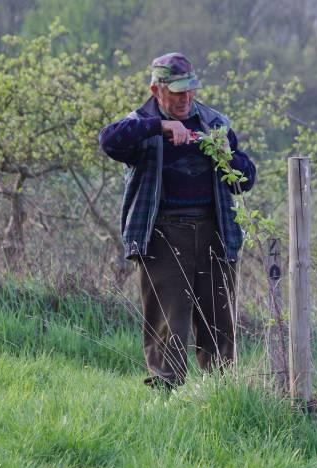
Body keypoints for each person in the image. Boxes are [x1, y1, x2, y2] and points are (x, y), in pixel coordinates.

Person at [99, 52, 256, 389]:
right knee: (168, 324)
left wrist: (225, 154)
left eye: (190, 91)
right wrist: (160, 127)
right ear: (157, 91)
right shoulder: (140, 123)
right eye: (177, 92)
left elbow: (244, 180)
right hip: (162, 235)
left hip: (215, 233)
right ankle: (166, 397)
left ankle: (223, 396)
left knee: (218, 323)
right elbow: (109, 141)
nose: (185, 99)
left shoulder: (214, 123)